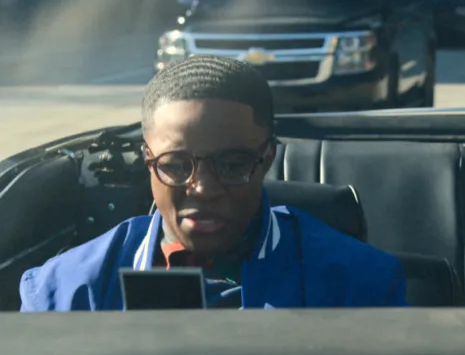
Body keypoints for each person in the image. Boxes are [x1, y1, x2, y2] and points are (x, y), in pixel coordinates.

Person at [21, 56, 408, 310]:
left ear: (267, 159)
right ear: (147, 161)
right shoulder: (64, 291)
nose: (203, 189)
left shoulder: (361, 286)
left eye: (233, 164)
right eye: (176, 165)